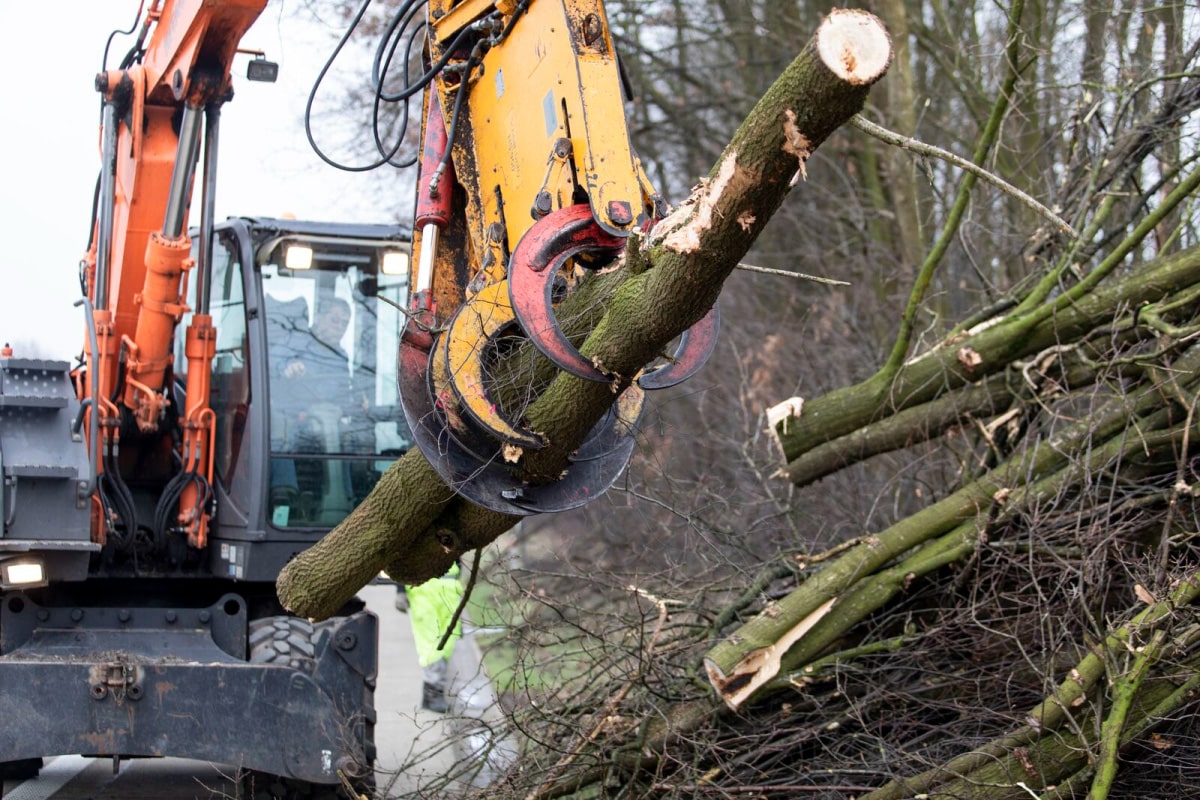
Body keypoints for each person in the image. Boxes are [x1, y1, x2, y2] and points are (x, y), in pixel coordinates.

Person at [397, 563, 463, 713]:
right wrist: (400, 590)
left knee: (447, 644)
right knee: (431, 646)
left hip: (450, 591)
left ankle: (433, 694)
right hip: (423, 593)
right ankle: (433, 693)